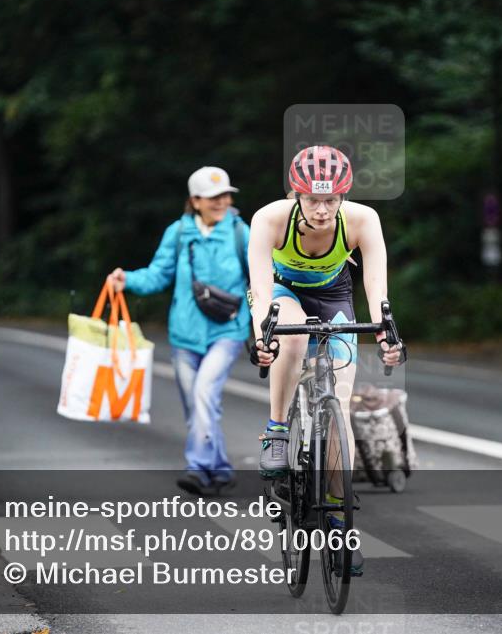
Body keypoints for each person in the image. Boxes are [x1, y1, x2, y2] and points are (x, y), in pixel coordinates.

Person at [248, 145, 405, 576]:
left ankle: (338, 518)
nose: (321, 209)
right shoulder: (269, 219)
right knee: (293, 342)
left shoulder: (362, 220)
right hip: (283, 295)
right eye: (313, 200)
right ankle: (277, 429)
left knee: (338, 395)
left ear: (343, 198)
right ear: (294, 195)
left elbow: (375, 284)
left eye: (331, 200)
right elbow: (260, 290)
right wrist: (266, 335)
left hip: (335, 296)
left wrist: (385, 330)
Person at [108, 166, 251, 496]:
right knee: (196, 404)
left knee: (204, 392)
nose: (222, 201)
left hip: (227, 330)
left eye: (226, 195)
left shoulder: (240, 232)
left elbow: (259, 276)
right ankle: (220, 468)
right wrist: (127, 280)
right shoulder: (178, 233)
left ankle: (199, 468)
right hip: (185, 333)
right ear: (195, 201)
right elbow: (158, 274)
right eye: (214, 197)